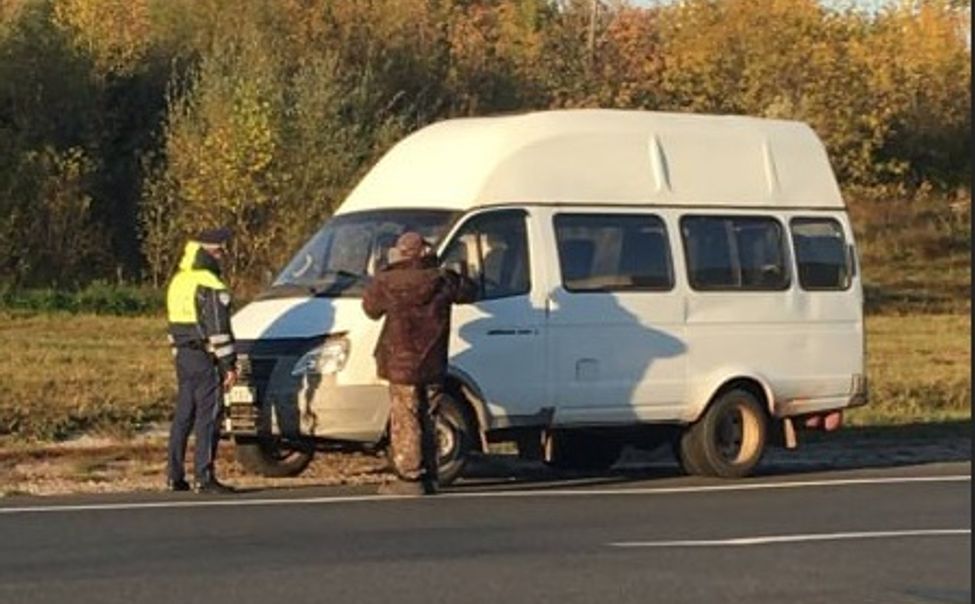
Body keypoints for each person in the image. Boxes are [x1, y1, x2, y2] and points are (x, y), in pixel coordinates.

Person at [362, 231, 477, 496]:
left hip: (400, 360)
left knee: (406, 416)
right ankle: (431, 473)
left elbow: (370, 310)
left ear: (399, 252)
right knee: (429, 414)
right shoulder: (442, 278)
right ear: (425, 250)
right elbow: (470, 290)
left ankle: (409, 476)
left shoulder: (387, 281)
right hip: (434, 358)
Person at [165, 227, 239, 494]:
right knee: (209, 416)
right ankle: (204, 477)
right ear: (208, 252)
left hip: (183, 354)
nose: (223, 256)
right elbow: (218, 329)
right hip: (205, 356)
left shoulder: (178, 281)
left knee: (183, 415)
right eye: (220, 251)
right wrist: (228, 365)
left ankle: (174, 476)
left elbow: (172, 323)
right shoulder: (210, 284)